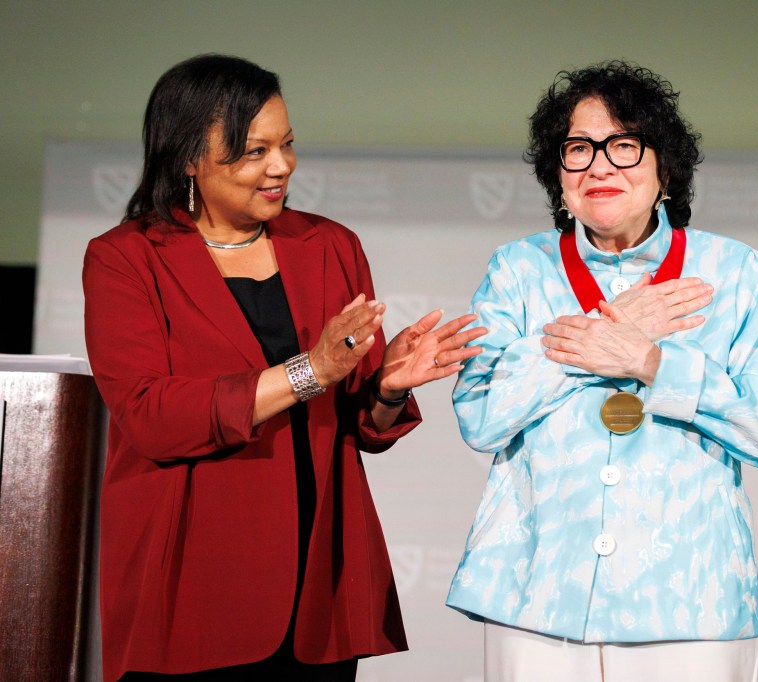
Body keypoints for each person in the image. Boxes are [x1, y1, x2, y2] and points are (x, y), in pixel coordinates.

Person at [83, 54, 485, 681]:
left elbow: (360, 423)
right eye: (252, 151)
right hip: (193, 585)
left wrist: (384, 386)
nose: (280, 167)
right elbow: (149, 417)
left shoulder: (328, 245)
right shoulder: (126, 258)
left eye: (287, 145)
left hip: (317, 587)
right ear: (188, 156)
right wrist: (309, 372)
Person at [446, 61, 758, 681]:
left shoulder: (733, 270)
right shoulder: (517, 269)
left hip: (689, 604)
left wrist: (650, 362)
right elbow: (480, 417)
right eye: (579, 148)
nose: (600, 165)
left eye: (624, 145)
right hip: (537, 595)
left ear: (665, 169)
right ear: (559, 174)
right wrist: (595, 343)